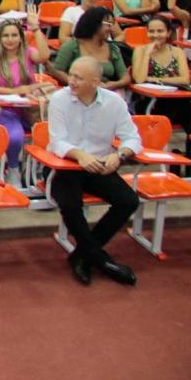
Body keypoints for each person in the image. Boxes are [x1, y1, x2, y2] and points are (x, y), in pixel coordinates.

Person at [46, 57, 141, 286]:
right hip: (66, 166)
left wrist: (118, 156)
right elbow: (57, 141)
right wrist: (80, 155)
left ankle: (82, 255)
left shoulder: (114, 102)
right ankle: (102, 260)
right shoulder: (59, 99)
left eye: (78, 77)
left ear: (95, 81)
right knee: (70, 204)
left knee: (128, 201)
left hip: (100, 165)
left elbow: (133, 138)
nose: (72, 81)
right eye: (71, 75)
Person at [0, 10, 53, 185]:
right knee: (16, 137)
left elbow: (44, 56)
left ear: (21, 37)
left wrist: (35, 29)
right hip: (3, 110)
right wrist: (14, 91)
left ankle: (38, 170)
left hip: (30, 110)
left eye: (14, 35)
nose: (10, 39)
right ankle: (13, 169)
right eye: (6, 36)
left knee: (49, 134)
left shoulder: (28, 53)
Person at [130, 17, 191, 150]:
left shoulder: (177, 52)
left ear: (168, 33)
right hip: (151, 102)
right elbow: (139, 79)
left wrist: (157, 79)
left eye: (160, 31)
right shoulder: (140, 50)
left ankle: (188, 160)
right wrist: (147, 54)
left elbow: (185, 79)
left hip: (177, 101)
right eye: (151, 31)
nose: (155, 35)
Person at [52, 7, 131, 92]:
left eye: (112, 24)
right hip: (75, 90)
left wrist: (112, 84)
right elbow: (57, 71)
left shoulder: (113, 49)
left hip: (105, 92)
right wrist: (78, 83)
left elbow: (125, 78)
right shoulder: (72, 45)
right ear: (94, 24)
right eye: (108, 24)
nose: (111, 29)